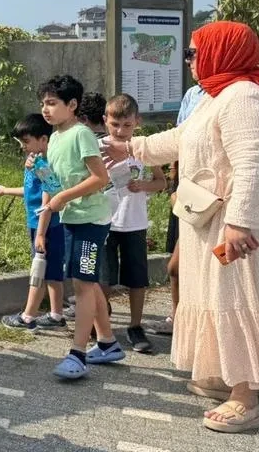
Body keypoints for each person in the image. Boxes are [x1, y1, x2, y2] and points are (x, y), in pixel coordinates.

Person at [102, 21, 259, 433]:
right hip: (213, 220)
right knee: (216, 296)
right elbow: (179, 139)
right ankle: (225, 375)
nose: (189, 60)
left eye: (193, 52)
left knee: (239, 299)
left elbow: (254, 166)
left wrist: (240, 222)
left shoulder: (245, 98)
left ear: (222, 52)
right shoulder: (217, 96)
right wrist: (131, 147)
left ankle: (246, 398)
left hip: (236, 226)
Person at [37, 75, 118, 380]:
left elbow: (100, 178)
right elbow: (56, 185)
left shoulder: (81, 134)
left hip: (91, 221)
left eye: (52, 103)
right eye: (43, 103)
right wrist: (40, 171)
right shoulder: (55, 137)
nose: (46, 109)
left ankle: (78, 353)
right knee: (88, 282)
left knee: (83, 284)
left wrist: (63, 197)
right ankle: (107, 342)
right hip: (73, 219)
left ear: (72, 105)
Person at [102, 94, 167, 354]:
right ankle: (101, 321)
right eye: (115, 124)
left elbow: (161, 182)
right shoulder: (98, 147)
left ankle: (135, 325)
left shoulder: (143, 148)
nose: (120, 131)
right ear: (105, 120)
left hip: (135, 222)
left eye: (127, 125)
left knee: (137, 278)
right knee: (103, 277)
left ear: (137, 122)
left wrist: (143, 185)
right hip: (105, 221)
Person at [148, 82, 205, 337]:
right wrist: (174, 183)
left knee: (213, 266)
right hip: (189, 192)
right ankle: (179, 318)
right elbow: (178, 139)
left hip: (216, 196)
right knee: (176, 266)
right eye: (189, 60)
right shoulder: (193, 94)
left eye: (193, 59)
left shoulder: (235, 93)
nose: (190, 63)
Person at [2, 113, 68, 331]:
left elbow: (47, 202)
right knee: (53, 272)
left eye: (26, 141)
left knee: (39, 270)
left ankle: (28, 316)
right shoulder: (35, 162)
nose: (23, 146)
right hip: (44, 224)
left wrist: (40, 233)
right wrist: (4, 191)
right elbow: (31, 191)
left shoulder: (44, 165)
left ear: (44, 139)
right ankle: (56, 315)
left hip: (46, 225)